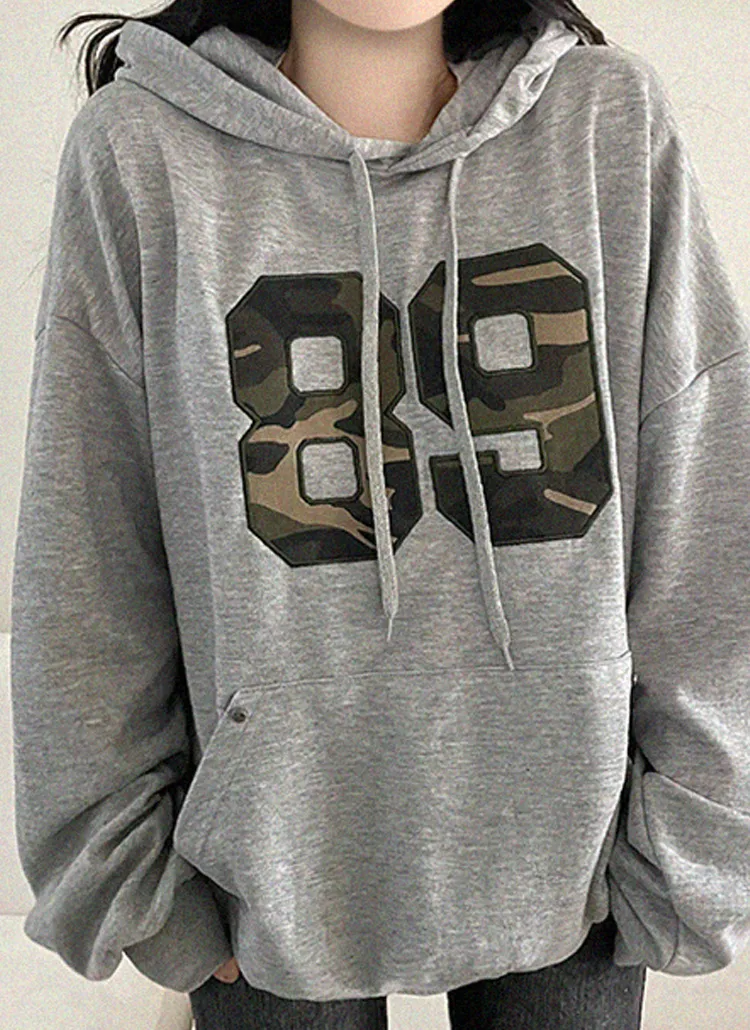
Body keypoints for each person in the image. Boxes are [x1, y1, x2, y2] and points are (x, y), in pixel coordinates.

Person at [10, 0, 750, 1027]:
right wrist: (133, 888)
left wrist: (698, 842)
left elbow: (703, 493)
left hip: (575, 857)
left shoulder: (603, 124)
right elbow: (88, 543)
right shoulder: (142, 150)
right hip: (262, 874)